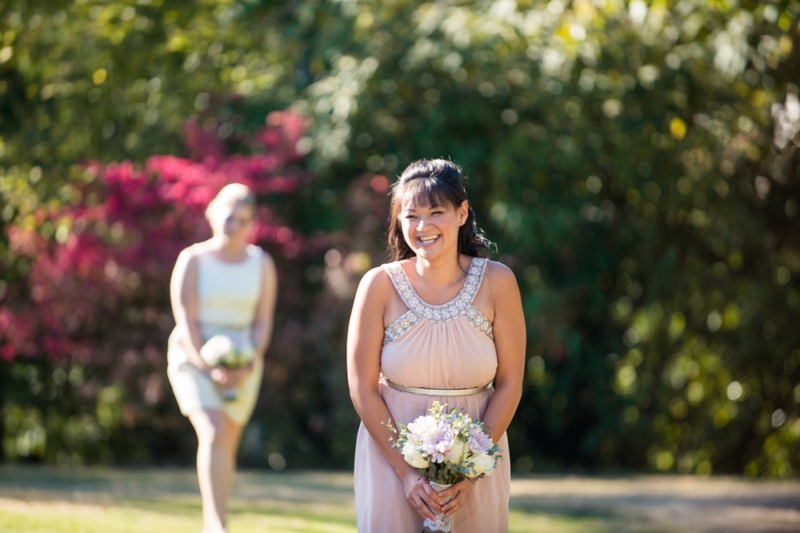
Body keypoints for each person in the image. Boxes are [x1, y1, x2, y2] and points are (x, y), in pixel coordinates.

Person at [347, 159, 526, 532]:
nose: (423, 226)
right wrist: (406, 473)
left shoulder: (498, 282)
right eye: (411, 216)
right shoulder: (377, 285)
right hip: (390, 458)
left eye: (436, 212)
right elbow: (362, 386)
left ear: (462, 214)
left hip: (479, 458)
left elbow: (510, 383)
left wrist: (472, 466)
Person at [167, 183, 277, 533]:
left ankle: (218, 520)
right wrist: (208, 366)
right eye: (230, 218)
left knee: (226, 442)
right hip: (193, 358)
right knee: (213, 433)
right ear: (214, 215)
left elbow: (262, 321)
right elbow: (184, 320)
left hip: (244, 362)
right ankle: (215, 525)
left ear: (252, 223)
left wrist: (246, 364)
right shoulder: (192, 260)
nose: (235, 227)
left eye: (243, 220)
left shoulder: (262, 263)